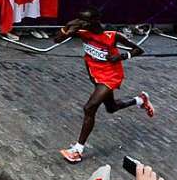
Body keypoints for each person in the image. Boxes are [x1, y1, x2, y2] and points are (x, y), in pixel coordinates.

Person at [54, 9, 155, 163]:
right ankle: (140, 100)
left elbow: (138, 50)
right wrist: (67, 27)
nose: (81, 23)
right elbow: (57, 40)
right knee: (111, 108)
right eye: (80, 20)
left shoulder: (112, 35)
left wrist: (121, 56)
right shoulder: (82, 31)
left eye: (85, 21)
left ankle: (77, 150)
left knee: (89, 108)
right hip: (94, 73)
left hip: (110, 76)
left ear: (95, 21)